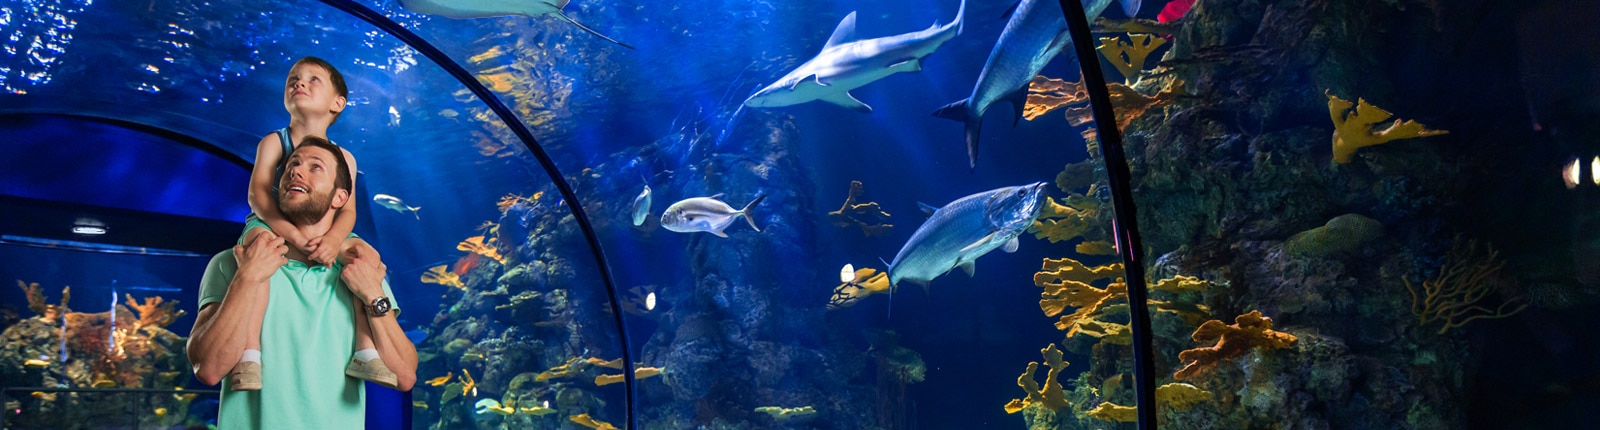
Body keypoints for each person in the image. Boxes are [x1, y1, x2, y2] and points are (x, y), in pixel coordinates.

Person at [188, 137, 418, 428]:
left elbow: (405, 376)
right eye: (292, 166)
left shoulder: (362, 270)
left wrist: (373, 294)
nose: (296, 171)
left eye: (315, 167)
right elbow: (207, 369)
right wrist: (248, 277)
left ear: (340, 198)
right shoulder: (229, 263)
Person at [229, 56, 395, 391]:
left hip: (324, 231)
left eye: (312, 79)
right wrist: (288, 232)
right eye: (293, 78)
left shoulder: (345, 157)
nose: (299, 83)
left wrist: (335, 241)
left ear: (338, 103)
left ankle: (365, 351)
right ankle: (249, 355)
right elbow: (259, 196)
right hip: (269, 223)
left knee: (368, 258)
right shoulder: (274, 142)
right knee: (258, 255)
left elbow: (347, 212)